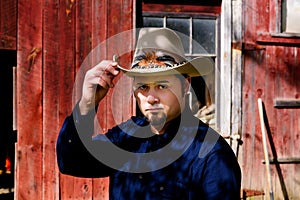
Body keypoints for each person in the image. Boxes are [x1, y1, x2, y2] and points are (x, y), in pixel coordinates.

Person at [56, 27, 241, 199]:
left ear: (185, 85)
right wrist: (88, 103)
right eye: (143, 86)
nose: (151, 98)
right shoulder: (127, 137)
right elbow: (71, 161)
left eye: (162, 86)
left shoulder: (211, 155)